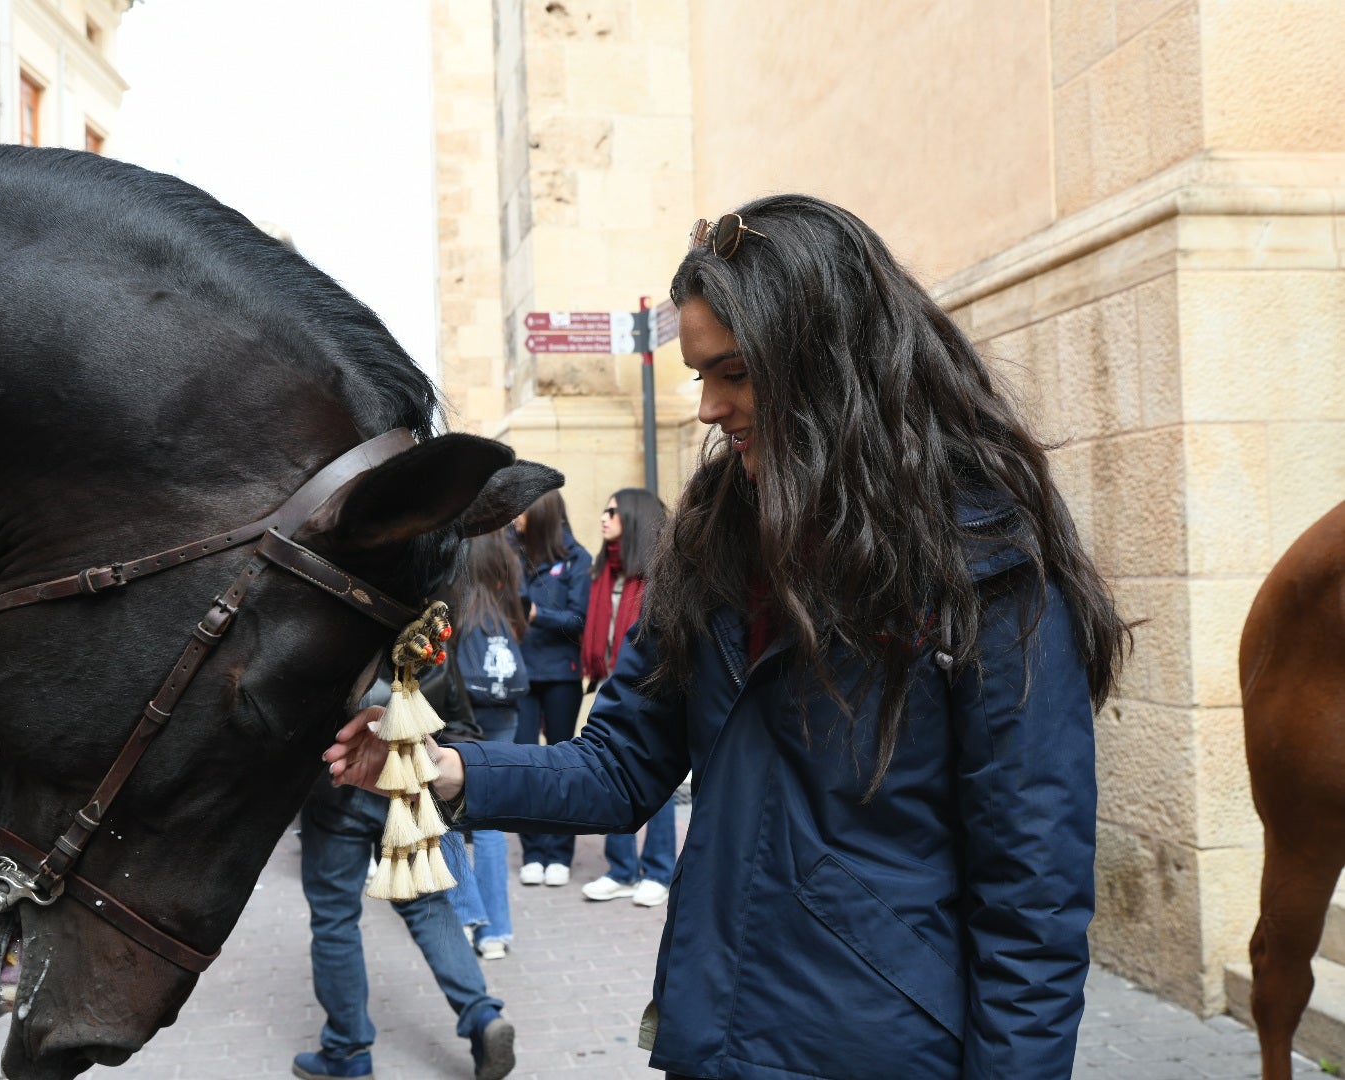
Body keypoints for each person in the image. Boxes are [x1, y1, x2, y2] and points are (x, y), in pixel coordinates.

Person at [327, 195, 1130, 1080]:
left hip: (884, 1049)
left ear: (830, 361)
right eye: (699, 374)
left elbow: (1033, 893)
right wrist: (448, 766)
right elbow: (620, 765)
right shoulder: (713, 540)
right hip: (716, 1032)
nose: (708, 408)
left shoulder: (986, 564)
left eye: (736, 372)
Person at [293, 672, 515, 1080]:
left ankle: (347, 1051)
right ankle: (481, 1014)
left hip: (341, 784)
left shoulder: (344, 629)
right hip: (410, 792)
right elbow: (463, 725)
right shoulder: (428, 644)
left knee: (334, 917)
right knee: (428, 905)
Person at [577, 489, 677, 908]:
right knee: (610, 769)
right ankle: (621, 869)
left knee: (657, 780)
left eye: (612, 511)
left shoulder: (659, 575)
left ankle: (658, 870)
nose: (603, 517)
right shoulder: (604, 572)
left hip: (651, 686)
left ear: (634, 517)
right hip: (611, 683)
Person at [445, 533, 530, 958]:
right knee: (492, 820)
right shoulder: (506, 600)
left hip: (464, 719)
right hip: (505, 716)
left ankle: (465, 915)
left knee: (448, 814)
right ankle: (496, 931)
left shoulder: (454, 604)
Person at [508, 490, 590, 887]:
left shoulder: (577, 558)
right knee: (524, 761)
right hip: (520, 675)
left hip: (561, 675)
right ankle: (533, 852)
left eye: (521, 508)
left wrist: (538, 615)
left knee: (562, 762)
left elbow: (579, 620)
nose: (515, 515)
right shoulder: (512, 551)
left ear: (540, 512)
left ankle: (559, 852)